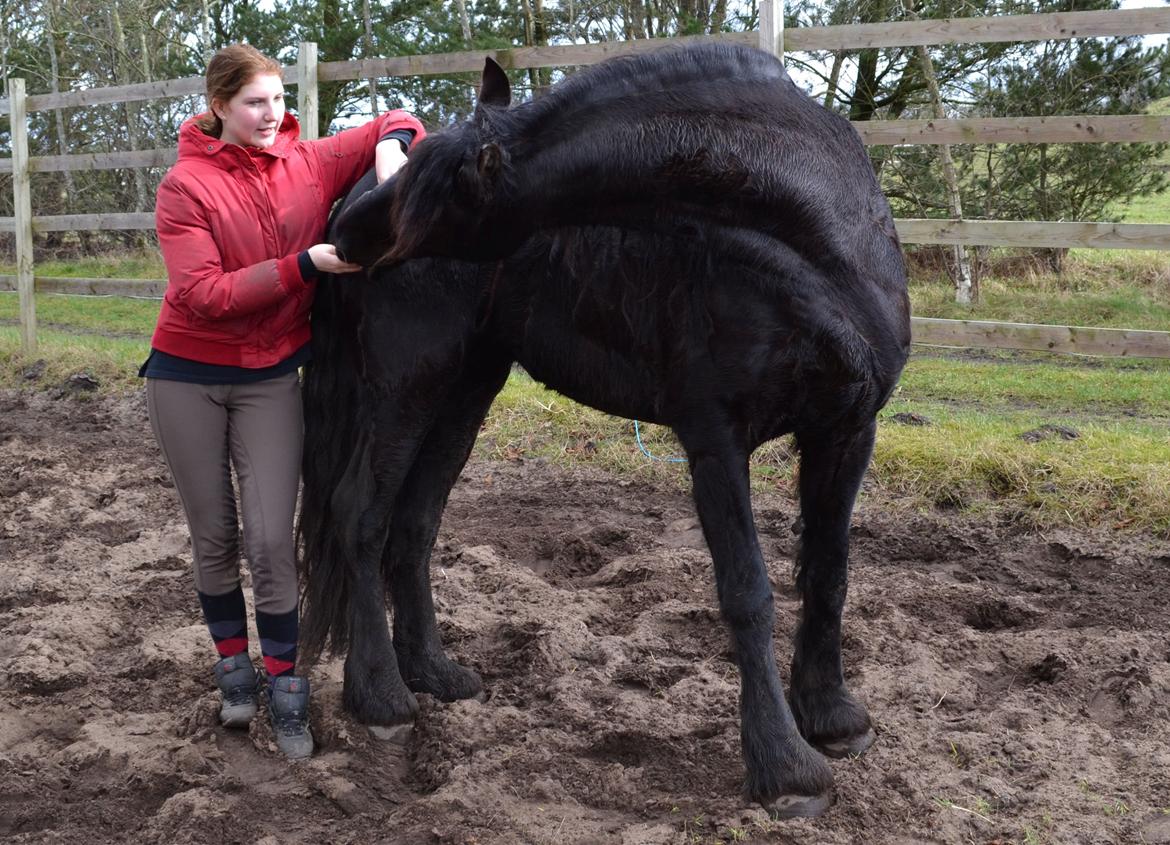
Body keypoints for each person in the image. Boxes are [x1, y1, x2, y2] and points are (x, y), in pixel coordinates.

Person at [141, 43, 424, 758]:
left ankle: (284, 686)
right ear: (219, 107)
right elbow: (202, 295)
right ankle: (233, 668)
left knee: (271, 540)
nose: (270, 116)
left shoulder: (311, 160)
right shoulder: (184, 187)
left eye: (277, 100)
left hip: (270, 376)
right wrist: (305, 265)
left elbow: (399, 116)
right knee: (215, 536)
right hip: (186, 375)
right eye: (253, 104)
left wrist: (391, 155)